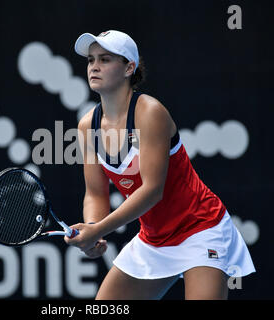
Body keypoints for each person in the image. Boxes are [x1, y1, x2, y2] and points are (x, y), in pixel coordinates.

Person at [64, 30, 255, 300]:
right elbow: (96, 192)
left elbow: (153, 191)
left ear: (129, 67)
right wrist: (93, 229)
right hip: (154, 239)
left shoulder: (150, 113)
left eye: (105, 59)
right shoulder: (87, 126)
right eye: (91, 60)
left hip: (200, 229)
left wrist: (98, 228)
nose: (94, 66)